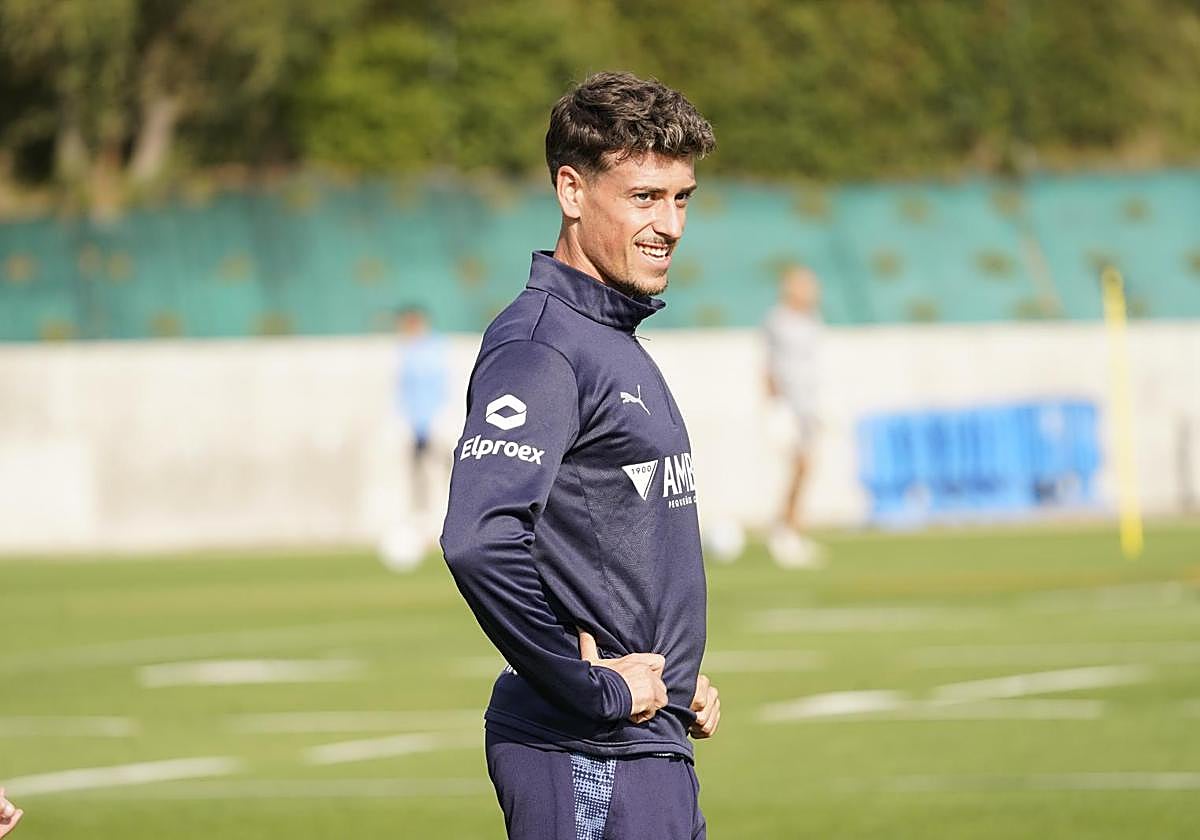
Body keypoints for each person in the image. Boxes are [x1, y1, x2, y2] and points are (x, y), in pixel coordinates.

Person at [441, 71, 719, 839]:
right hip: (586, 753)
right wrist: (587, 686)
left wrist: (677, 676)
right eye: (644, 197)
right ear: (571, 190)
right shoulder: (541, 348)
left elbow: (607, 540)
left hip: (644, 745)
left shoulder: (611, 338)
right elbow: (479, 538)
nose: (670, 223)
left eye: (682, 197)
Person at [764, 265, 826, 568]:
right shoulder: (779, 321)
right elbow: (770, 366)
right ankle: (784, 531)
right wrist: (776, 407)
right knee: (799, 467)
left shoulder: (812, 321)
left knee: (805, 469)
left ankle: (791, 529)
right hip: (788, 406)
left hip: (806, 407)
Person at [394, 305, 448, 516]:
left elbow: (441, 388)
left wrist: (438, 419)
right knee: (417, 477)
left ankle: (441, 515)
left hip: (435, 422)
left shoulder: (434, 348)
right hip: (414, 425)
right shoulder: (405, 350)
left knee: (440, 471)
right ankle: (420, 516)